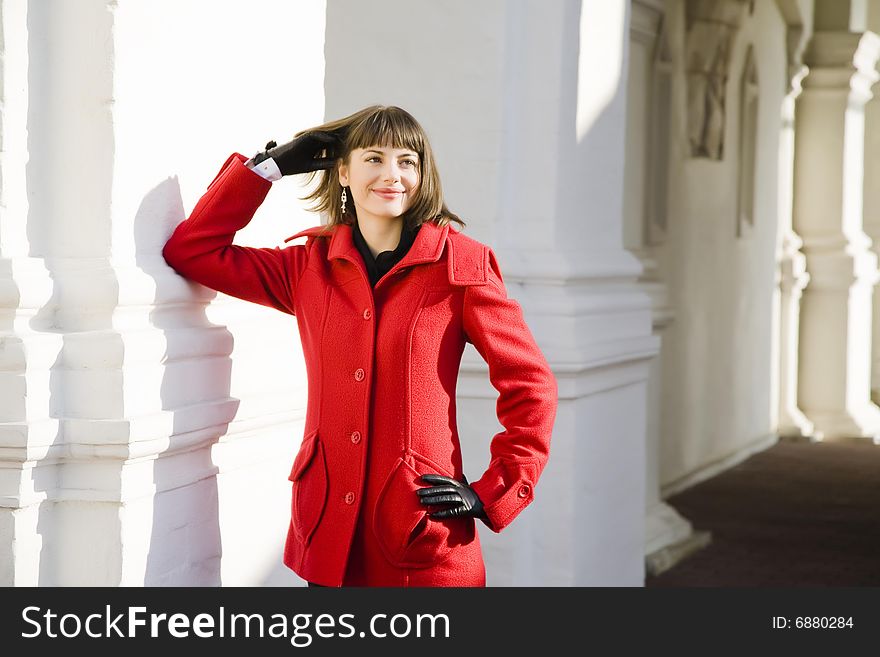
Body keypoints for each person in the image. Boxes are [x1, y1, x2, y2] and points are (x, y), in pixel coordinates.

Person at [162, 105, 557, 587]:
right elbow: (194, 250)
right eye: (374, 158)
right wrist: (269, 169)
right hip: (329, 529)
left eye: (407, 161)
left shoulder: (461, 267)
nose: (392, 175)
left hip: (420, 529)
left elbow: (530, 383)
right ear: (343, 171)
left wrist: (499, 489)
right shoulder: (307, 267)